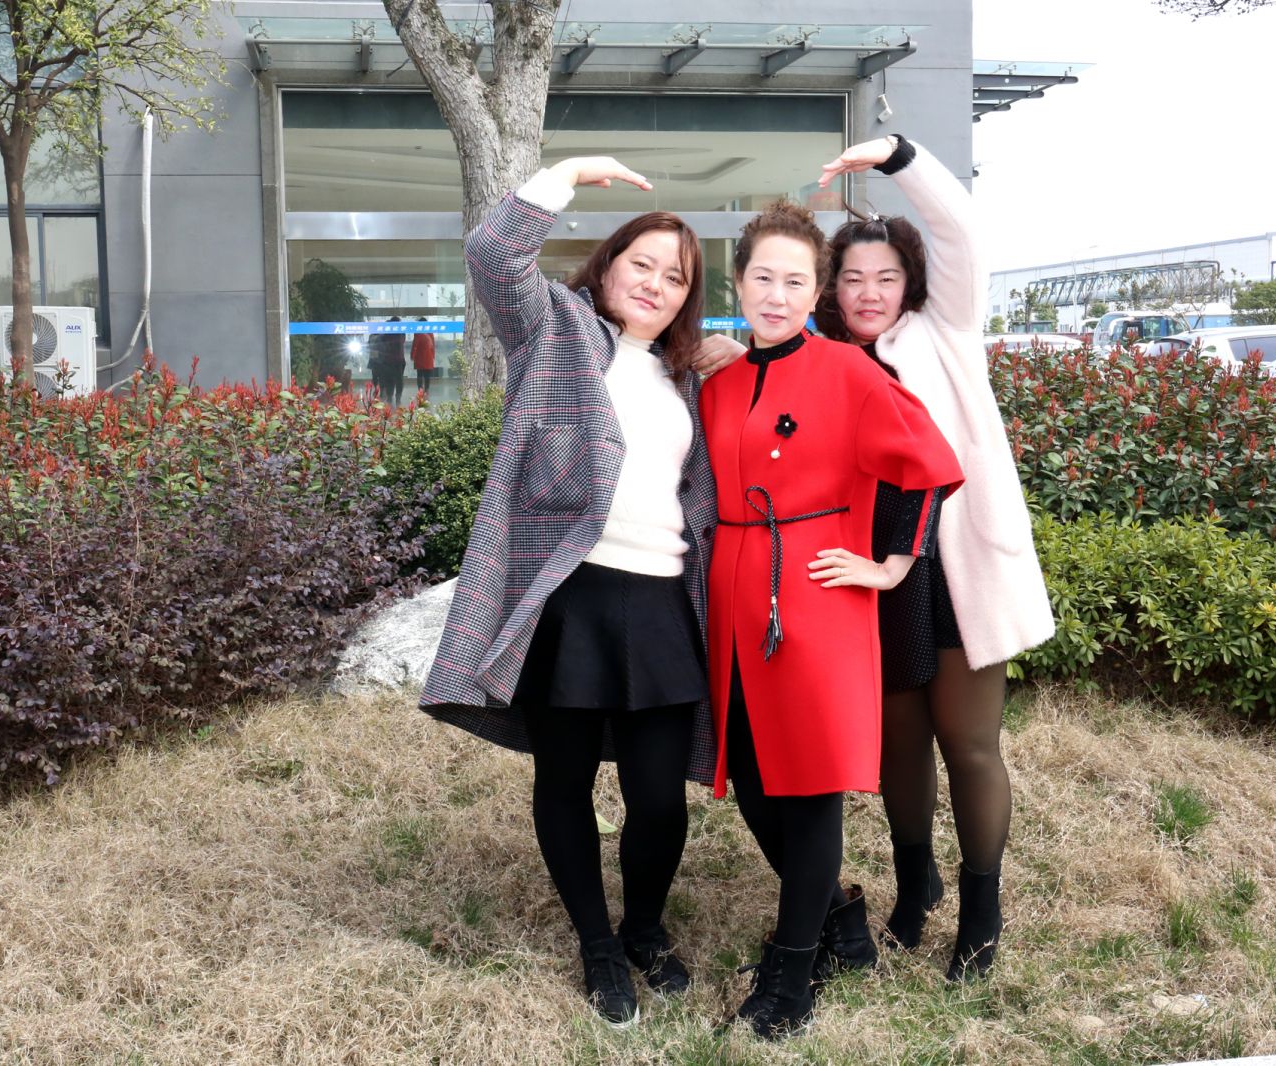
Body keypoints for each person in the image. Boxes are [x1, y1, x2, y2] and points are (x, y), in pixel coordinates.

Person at [419, 156, 717, 1028]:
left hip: (662, 601)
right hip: (571, 598)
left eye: (674, 277)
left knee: (659, 796)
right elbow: (493, 256)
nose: (654, 284)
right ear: (607, 265)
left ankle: (645, 929)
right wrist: (567, 175)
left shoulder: (688, 376)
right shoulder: (554, 329)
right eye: (641, 264)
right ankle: (598, 947)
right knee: (566, 781)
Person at [700, 200, 963, 1038]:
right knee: (750, 775)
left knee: (808, 784)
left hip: (813, 592)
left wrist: (891, 564)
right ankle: (842, 917)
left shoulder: (849, 371)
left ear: (816, 291)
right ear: (738, 282)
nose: (776, 295)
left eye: (795, 281)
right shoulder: (720, 380)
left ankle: (792, 974)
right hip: (732, 595)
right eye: (763, 278)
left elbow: (928, 462)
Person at [814, 134, 1056, 981]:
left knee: (969, 742)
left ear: (909, 283)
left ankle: (982, 911)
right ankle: (915, 884)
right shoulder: (821, 358)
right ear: (831, 288)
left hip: (953, 570)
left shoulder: (944, 330)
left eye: (885, 278)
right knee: (898, 746)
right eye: (852, 278)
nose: (868, 293)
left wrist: (898, 156)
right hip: (868, 573)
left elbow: (961, 230)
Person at [411, 318, 437, 395]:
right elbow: (433, 345)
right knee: (427, 376)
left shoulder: (418, 333)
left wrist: (412, 355)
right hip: (428, 357)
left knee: (420, 375)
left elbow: (415, 345)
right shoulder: (430, 332)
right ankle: (426, 390)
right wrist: (433, 356)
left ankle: (420, 390)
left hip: (419, 357)